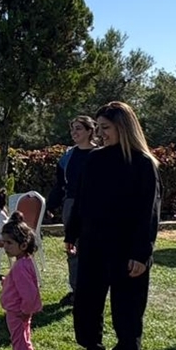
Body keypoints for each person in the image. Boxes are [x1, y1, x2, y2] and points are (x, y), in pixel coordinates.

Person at [65, 101, 160, 350]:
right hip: (93, 245)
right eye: (99, 128)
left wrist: (141, 253)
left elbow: (149, 212)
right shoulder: (95, 160)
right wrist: (73, 234)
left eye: (106, 128)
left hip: (127, 250)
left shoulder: (144, 164)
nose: (101, 133)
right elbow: (81, 201)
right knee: (86, 302)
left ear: (124, 127)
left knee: (127, 309)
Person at [47, 115, 100, 306]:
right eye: (72, 129)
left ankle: (93, 290)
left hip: (95, 208)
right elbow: (60, 185)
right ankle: (76, 291)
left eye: (79, 128)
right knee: (73, 249)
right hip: (71, 205)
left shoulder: (101, 155)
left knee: (93, 250)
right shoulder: (68, 157)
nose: (74, 132)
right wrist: (50, 206)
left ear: (89, 131)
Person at [0, 212, 43, 350]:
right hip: (19, 311)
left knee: (20, 343)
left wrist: (25, 311)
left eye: (9, 243)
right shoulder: (24, 262)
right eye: (4, 242)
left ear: (23, 245)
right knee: (22, 340)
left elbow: (29, 294)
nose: (5, 247)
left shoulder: (20, 267)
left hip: (18, 313)